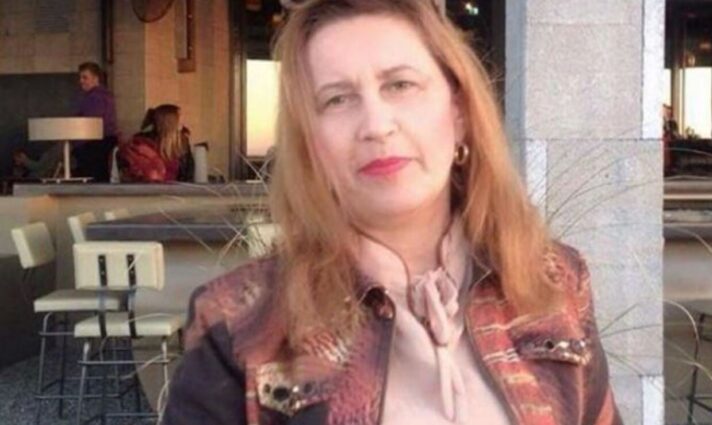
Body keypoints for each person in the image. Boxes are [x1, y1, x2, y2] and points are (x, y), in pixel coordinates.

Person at [162, 1, 620, 424]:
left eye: (400, 85)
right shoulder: (237, 324)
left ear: (459, 112)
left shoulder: (555, 280)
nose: (377, 126)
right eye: (337, 99)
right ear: (309, 145)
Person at [118, 104, 194, 182]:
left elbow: (188, 175)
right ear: (170, 121)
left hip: (176, 188)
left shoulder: (182, 143)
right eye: (179, 117)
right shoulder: (142, 142)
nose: (183, 121)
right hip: (146, 187)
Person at [74, 62, 118, 182]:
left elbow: (90, 123)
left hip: (94, 144)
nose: (81, 81)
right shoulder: (106, 95)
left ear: (95, 78)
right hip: (105, 141)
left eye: (85, 77)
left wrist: (76, 144)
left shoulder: (94, 98)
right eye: (80, 77)